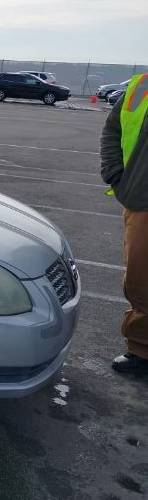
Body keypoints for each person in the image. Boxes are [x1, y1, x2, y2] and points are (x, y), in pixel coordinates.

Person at [100, 73, 148, 373]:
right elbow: (112, 131)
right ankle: (142, 351)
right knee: (141, 280)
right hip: (143, 201)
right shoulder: (140, 86)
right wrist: (117, 176)